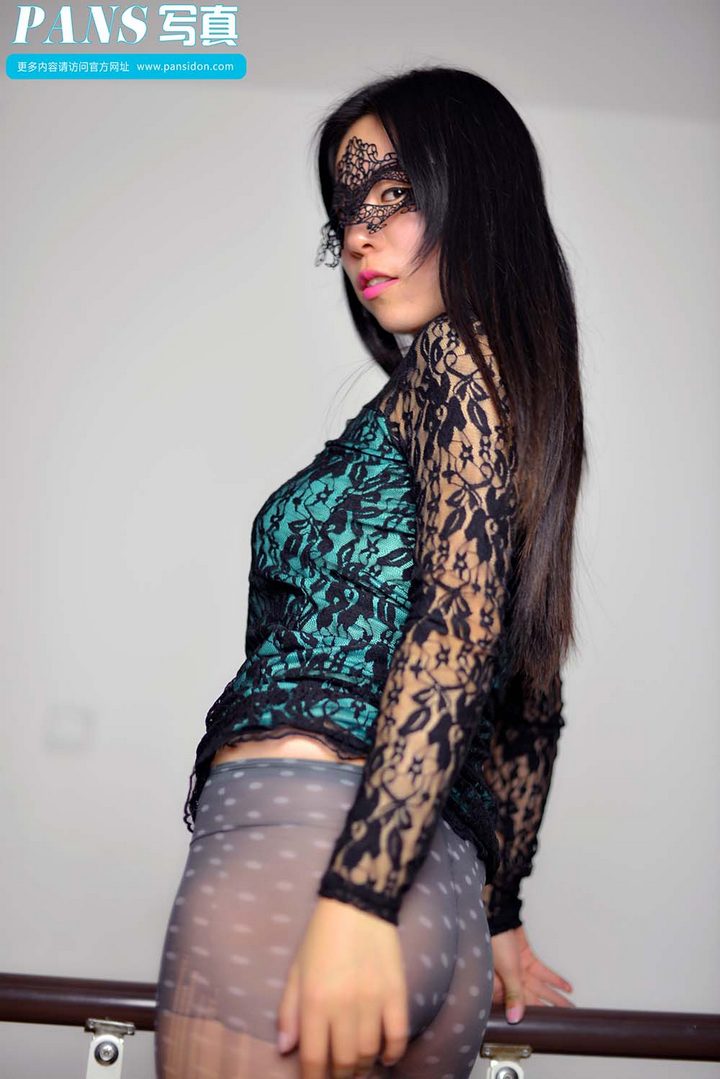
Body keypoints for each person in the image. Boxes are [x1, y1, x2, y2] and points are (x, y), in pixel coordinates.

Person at [154, 64, 585, 1079]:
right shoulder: (513, 404)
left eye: (393, 196)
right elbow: (529, 697)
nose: (359, 235)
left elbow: (457, 630)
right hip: (441, 905)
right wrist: (498, 913)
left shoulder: (455, 360)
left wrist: (356, 894)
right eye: (346, 211)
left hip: (313, 862)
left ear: (477, 196)